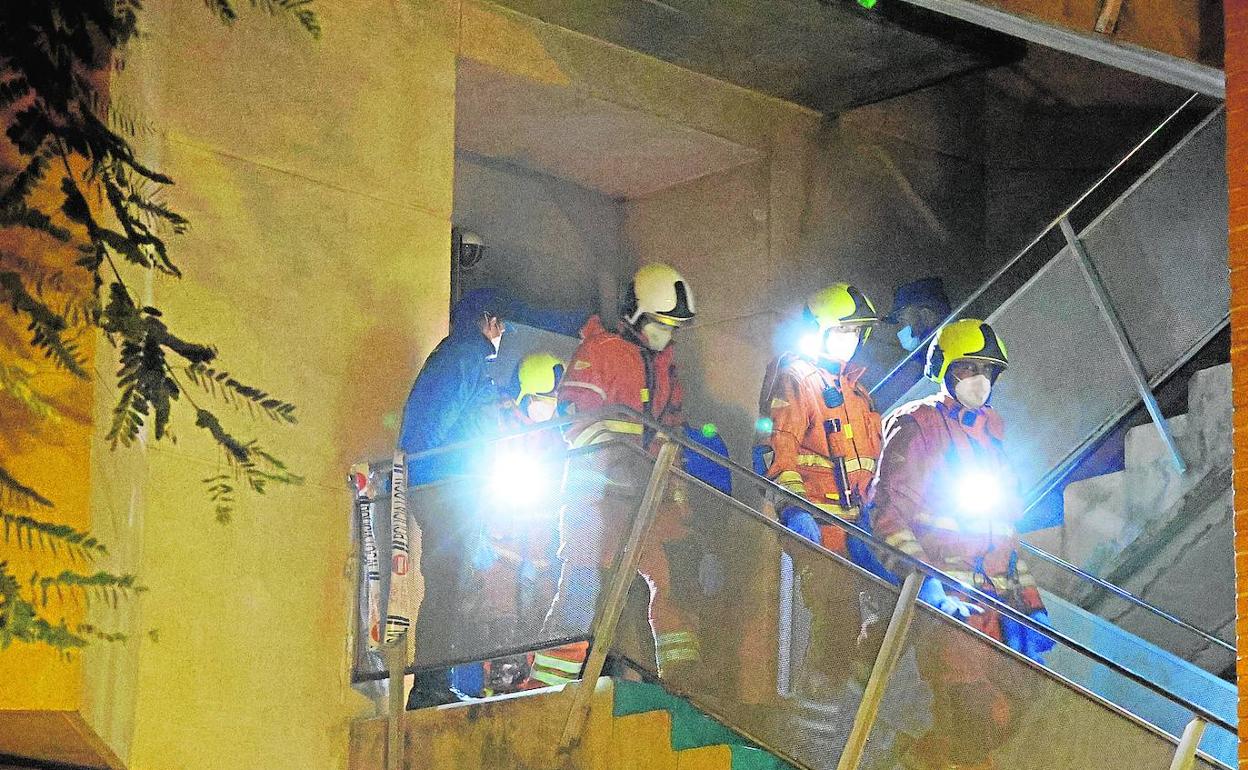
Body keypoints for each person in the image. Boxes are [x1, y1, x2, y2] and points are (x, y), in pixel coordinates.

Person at [869, 319, 1053, 770]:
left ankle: (917, 760)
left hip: (995, 604)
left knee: (1016, 704)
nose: (980, 381)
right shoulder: (917, 425)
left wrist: (1030, 602)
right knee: (972, 711)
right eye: (970, 368)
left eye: (989, 371)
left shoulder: (991, 434)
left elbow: (1005, 531)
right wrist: (922, 583)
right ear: (947, 370)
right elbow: (887, 513)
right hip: (947, 602)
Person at [531, 263, 699, 687]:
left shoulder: (664, 368)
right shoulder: (601, 352)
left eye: (673, 327)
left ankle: (681, 682)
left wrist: (673, 491)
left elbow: (669, 432)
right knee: (580, 594)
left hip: (643, 499)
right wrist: (618, 467)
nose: (667, 334)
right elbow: (576, 423)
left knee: (669, 586)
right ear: (637, 315)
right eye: (662, 324)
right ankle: (547, 687)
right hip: (593, 500)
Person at [398, 289, 510, 708]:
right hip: (448, 489)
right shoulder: (466, 356)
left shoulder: (458, 355)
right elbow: (434, 425)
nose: (501, 334)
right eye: (500, 325)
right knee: (449, 585)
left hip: (449, 488)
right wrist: (436, 483)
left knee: (454, 584)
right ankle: (430, 686)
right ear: (489, 321)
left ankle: (436, 683)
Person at [456, 351, 568, 696]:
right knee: (498, 597)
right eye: (539, 399)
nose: (546, 406)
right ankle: (494, 672)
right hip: (501, 527)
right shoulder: (499, 422)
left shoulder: (554, 431)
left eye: (552, 400)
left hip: (539, 531)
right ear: (523, 395)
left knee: (539, 601)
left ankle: (531, 673)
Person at [885, 277, 951, 353]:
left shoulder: (943, 354)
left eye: (901, 314)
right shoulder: (924, 354)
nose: (899, 321)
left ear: (926, 314)